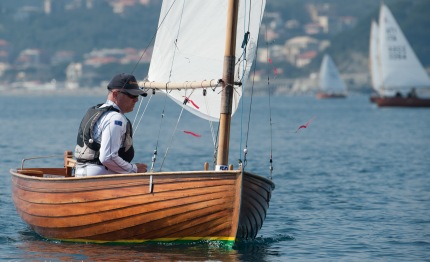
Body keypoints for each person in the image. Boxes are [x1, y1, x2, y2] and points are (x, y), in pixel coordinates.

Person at [74, 73, 148, 177]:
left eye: (137, 96)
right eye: (132, 95)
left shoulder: (98, 112)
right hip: (98, 177)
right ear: (116, 94)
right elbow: (107, 157)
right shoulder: (115, 118)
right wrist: (134, 169)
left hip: (82, 172)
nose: (136, 100)